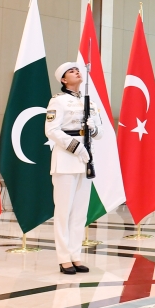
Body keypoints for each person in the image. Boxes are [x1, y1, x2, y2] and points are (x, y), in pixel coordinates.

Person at [44, 62, 100, 275]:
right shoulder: (57, 101)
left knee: (80, 212)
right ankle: (63, 258)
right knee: (63, 212)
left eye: (77, 70)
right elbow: (51, 130)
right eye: (71, 71)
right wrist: (76, 147)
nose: (77, 72)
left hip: (85, 160)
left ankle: (76, 255)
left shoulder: (89, 102)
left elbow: (101, 132)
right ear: (63, 80)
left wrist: (93, 129)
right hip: (66, 159)